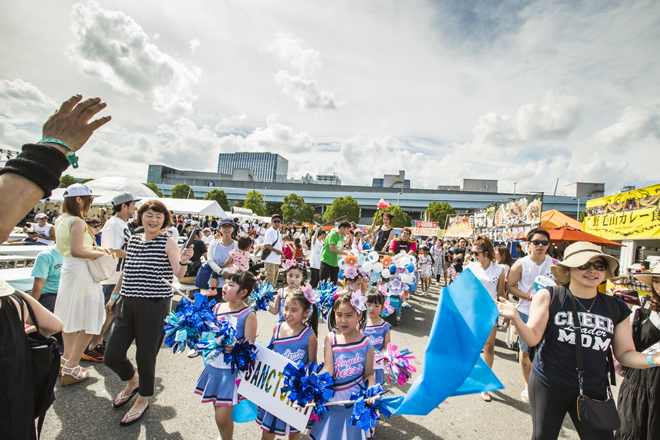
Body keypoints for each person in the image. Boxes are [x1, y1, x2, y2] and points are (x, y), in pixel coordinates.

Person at [498, 242, 660, 440]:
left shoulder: (616, 307)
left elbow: (625, 354)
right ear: (567, 269)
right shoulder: (550, 296)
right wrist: (516, 317)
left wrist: (653, 359)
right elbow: (533, 338)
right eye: (584, 265)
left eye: (599, 265)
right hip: (549, 384)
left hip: (594, 389)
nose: (592, 270)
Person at [104, 200, 193, 426]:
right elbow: (127, 269)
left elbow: (178, 273)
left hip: (154, 304)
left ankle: (143, 398)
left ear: (165, 220)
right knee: (112, 355)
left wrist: (184, 260)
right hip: (128, 302)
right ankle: (133, 381)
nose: (153, 220)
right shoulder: (133, 239)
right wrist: (114, 295)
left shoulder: (168, 241)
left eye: (158, 216)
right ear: (141, 217)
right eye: (149, 215)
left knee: (145, 354)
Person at [53, 183, 109, 386]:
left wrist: (94, 250)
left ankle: (67, 361)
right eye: (89, 200)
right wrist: (101, 253)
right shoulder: (76, 221)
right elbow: (78, 250)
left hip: (69, 271)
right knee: (90, 320)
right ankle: (72, 366)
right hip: (82, 272)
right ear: (79, 199)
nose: (90, 204)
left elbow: (70, 250)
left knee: (69, 319)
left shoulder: (61, 219)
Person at [194, 271, 258, 440]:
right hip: (214, 367)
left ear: (243, 292)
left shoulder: (248, 314)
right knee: (218, 410)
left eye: (231, 285)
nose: (225, 287)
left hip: (230, 372)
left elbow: (250, 345)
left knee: (222, 418)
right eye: (226, 283)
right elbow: (207, 335)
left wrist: (234, 346)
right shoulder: (216, 307)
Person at [308, 292, 377, 440]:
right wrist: (311, 383)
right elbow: (328, 369)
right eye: (339, 315)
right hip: (332, 403)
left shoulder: (366, 344)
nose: (343, 320)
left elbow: (369, 375)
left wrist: (371, 390)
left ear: (359, 315)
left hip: (354, 406)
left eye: (349, 315)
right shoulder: (331, 338)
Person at [82, 192, 140, 363]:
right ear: (124, 206)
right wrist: (137, 255)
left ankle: (98, 343)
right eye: (133, 205)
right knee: (107, 313)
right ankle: (90, 346)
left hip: (118, 275)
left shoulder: (121, 223)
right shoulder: (114, 224)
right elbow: (113, 249)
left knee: (110, 313)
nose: (135, 208)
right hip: (112, 275)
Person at [256, 288, 318, 439]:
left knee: (293, 433)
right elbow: (270, 354)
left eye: (294, 310)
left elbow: (312, 366)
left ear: (306, 312)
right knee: (267, 431)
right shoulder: (277, 328)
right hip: (274, 388)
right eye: (286, 308)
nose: (288, 313)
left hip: (294, 393)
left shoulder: (309, 336)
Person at [506, 228, 557, 403]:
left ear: (549, 245)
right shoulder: (521, 264)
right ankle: (528, 385)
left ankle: (544, 385)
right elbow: (510, 287)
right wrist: (530, 297)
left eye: (544, 242)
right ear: (529, 244)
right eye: (536, 242)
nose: (540, 245)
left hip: (549, 313)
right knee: (525, 351)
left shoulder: (556, 264)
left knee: (548, 351)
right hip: (526, 311)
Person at [615, 265, 660, 440]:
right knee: (633, 432)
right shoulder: (641, 307)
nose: (659, 286)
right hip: (639, 383)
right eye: (656, 280)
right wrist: (621, 308)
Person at [467, 235, 506, 402]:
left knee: (489, 347)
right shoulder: (470, 267)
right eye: (472, 252)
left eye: (476, 253)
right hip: (473, 311)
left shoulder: (499, 269)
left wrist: (506, 314)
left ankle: (484, 384)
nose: (474, 255)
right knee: (474, 347)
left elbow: (501, 293)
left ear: (486, 253)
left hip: (491, 311)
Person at [30, 244, 64, 352]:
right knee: (58, 317)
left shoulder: (78, 253)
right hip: (49, 294)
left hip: (70, 293)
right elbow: (39, 283)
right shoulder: (46, 255)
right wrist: (31, 307)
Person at [363, 287, 391, 386]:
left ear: (383, 307)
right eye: (369, 304)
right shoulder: (360, 324)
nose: (372, 308)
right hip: (362, 363)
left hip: (377, 365)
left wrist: (387, 356)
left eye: (376, 306)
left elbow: (387, 346)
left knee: (376, 390)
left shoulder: (385, 326)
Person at [206, 218, 238, 296]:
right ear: (219, 229)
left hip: (232, 283)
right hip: (215, 284)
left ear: (233, 229)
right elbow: (210, 260)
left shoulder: (237, 245)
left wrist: (229, 274)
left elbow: (240, 263)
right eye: (224, 226)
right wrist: (221, 272)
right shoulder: (214, 243)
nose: (227, 229)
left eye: (229, 226)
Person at [263, 214, 284, 287]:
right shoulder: (270, 231)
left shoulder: (277, 231)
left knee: (274, 282)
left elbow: (278, 244)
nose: (277, 223)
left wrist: (281, 253)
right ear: (271, 222)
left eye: (279, 221)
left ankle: (270, 293)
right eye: (275, 221)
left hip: (276, 260)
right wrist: (277, 251)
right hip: (270, 260)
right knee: (269, 281)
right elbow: (267, 245)